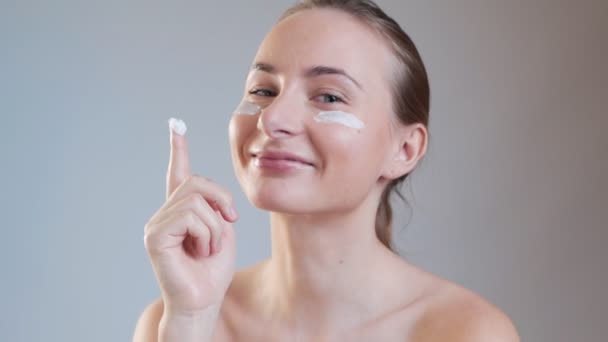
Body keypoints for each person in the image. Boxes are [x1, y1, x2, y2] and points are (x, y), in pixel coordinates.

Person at [133, 1, 520, 341]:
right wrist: (190, 323)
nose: (273, 119)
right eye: (263, 91)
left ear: (404, 149)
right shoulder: (174, 321)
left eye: (329, 96)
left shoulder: (465, 333)